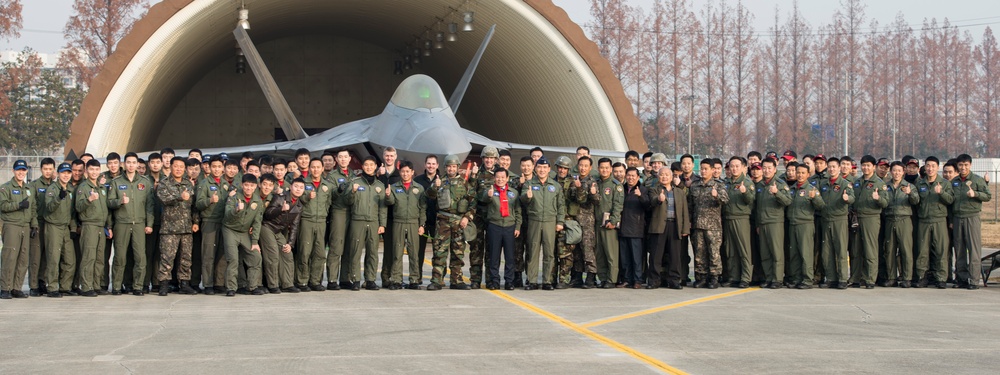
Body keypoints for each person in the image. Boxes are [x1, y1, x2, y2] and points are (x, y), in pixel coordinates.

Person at [107, 152, 155, 295]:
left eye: (134, 163)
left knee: (140, 256)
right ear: (124, 164)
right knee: (120, 256)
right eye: (128, 162)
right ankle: (116, 286)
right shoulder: (116, 182)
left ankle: (138, 286)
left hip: (139, 223)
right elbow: (109, 202)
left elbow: (149, 205)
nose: (131, 165)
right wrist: (119, 202)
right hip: (122, 223)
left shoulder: (145, 182)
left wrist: (149, 224)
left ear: (137, 164)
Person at [426, 154, 476, 290]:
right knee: (439, 251)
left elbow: (473, 204)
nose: (451, 169)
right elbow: (429, 196)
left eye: (453, 166)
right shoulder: (439, 181)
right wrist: (434, 187)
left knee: (458, 252)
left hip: (459, 222)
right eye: (448, 166)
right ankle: (437, 280)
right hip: (443, 221)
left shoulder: (465, 184)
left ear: (458, 167)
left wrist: (467, 217)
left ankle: (457, 280)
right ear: (445, 167)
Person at [520, 157, 565, 290]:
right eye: (539, 167)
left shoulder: (555, 186)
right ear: (535, 168)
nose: (542, 170)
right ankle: (532, 280)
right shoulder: (528, 184)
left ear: (549, 169)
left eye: (545, 168)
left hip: (550, 222)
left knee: (549, 252)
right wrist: (526, 197)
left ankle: (547, 280)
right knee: (533, 251)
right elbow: (522, 200)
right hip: (534, 220)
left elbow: (561, 205)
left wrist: (560, 222)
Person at [156, 157, 199, 296]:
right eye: (176, 166)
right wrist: (180, 196)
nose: (179, 169)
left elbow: (194, 205)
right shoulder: (164, 183)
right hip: (170, 228)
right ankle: (164, 284)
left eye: (181, 166)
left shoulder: (188, 184)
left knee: (186, 258)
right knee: (167, 257)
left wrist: (195, 221)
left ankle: (184, 283)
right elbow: (165, 199)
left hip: (186, 227)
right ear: (171, 167)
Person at [950, 154, 991, 289]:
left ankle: (974, 280)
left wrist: (976, 194)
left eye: (966, 165)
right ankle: (961, 278)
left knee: (973, 249)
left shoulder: (977, 180)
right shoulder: (954, 181)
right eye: (960, 165)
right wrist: (951, 220)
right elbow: (950, 202)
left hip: (972, 216)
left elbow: (988, 196)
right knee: (959, 248)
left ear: (970, 165)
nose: (963, 168)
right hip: (957, 217)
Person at [384, 160, 427, 290]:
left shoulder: (419, 188)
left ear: (412, 172)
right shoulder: (395, 187)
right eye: (402, 171)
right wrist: (387, 195)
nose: (405, 174)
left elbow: (422, 208)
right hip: (399, 222)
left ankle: (414, 279)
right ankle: (396, 279)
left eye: (408, 171)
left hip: (414, 222)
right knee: (397, 252)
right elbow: (390, 203)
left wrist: (422, 225)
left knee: (414, 252)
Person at [347, 156, 387, 290]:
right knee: (355, 251)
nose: (369, 167)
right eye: (366, 165)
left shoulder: (380, 186)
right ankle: (355, 279)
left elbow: (383, 208)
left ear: (375, 166)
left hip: (374, 222)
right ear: (362, 167)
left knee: (373, 252)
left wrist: (382, 224)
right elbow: (347, 201)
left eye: (371, 165)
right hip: (358, 221)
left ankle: (370, 280)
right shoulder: (355, 182)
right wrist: (352, 192)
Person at [848, 155, 888, 289]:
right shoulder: (858, 182)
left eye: (868, 165)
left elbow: (885, 202)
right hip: (857, 217)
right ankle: (855, 278)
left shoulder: (879, 183)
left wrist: (878, 199)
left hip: (871, 217)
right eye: (863, 165)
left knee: (870, 249)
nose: (865, 168)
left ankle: (870, 279)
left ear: (874, 167)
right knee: (856, 249)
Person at [0, 160, 38, 299]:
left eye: (23, 170)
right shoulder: (6, 188)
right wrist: (18, 205)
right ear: (13, 171)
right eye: (18, 170)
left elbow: (33, 208)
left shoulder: (29, 189)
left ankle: (17, 287)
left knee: (23, 258)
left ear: (26, 171)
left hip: (25, 226)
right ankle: (5, 288)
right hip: (12, 225)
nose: (21, 172)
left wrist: (34, 225)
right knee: (9, 257)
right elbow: (3, 205)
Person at [222, 174, 265, 296]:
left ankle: (252, 286)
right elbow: (227, 215)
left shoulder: (257, 200)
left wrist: (255, 242)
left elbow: (257, 223)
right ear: (242, 185)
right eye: (246, 185)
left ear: (256, 187)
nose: (248, 188)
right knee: (233, 259)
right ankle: (231, 288)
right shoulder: (234, 197)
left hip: (244, 232)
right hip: (230, 230)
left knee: (255, 256)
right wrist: (236, 210)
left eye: (252, 186)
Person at [689, 159, 729, 288]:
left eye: (706, 169)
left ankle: (714, 277)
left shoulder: (718, 185)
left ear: (712, 170)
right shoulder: (695, 185)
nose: (703, 171)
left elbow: (725, 200)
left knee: (714, 252)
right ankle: (701, 277)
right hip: (698, 224)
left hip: (713, 226)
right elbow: (690, 205)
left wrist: (716, 195)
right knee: (699, 253)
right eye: (702, 169)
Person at [647, 167, 689, 289]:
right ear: (658, 177)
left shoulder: (680, 192)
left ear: (671, 177)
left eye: (667, 175)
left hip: (674, 225)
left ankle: (674, 280)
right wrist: (659, 199)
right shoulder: (654, 190)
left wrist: (685, 229)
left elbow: (684, 211)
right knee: (656, 255)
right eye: (661, 175)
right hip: (659, 226)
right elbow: (653, 201)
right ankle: (654, 280)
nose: (664, 177)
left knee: (675, 255)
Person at [914, 157, 953, 288]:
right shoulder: (919, 184)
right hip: (924, 220)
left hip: (939, 220)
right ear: (924, 167)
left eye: (933, 166)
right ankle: (922, 277)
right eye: (928, 166)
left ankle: (941, 278)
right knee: (922, 250)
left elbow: (950, 200)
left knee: (941, 250)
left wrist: (941, 192)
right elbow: (916, 202)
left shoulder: (945, 183)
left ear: (938, 167)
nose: (930, 169)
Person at [479, 168, 521, 290]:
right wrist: (489, 196)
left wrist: (517, 226)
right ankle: (494, 280)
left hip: (509, 226)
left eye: (503, 177)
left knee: (510, 256)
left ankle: (509, 281)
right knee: (494, 256)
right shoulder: (490, 190)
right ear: (494, 178)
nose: (500, 179)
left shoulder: (513, 193)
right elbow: (483, 199)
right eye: (498, 177)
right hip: (495, 226)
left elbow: (518, 211)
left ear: (507, 178)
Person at [194, 155, 231, 295]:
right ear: (209, 168)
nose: (216, 169)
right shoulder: (204, 183)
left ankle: (219, 283)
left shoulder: (226, 184)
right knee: (208, 253)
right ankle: (208, 283)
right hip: (209, 221)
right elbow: (198, 204)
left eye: (219, 167)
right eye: (214, 167)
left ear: (223, 168)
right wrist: (210, 200)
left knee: (222, 253)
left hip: (224, 222)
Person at [261, 177, 304, 293]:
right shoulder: (280, 197)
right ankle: (273, 285)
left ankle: (287, 284)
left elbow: (295, 227)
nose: (298, 190)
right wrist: (281, 209)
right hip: (267, 227)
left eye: (301, 188)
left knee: (287, 253)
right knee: (273, 255)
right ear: (290, 187)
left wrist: (290, 244)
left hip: (278, 231)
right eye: (296, 186)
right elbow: (268, 214)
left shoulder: (299, 205)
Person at [297, 158, 334, 291]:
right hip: (307, 220)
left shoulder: (327, 185)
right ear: (309, 168)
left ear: (323, 169)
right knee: (304, 251)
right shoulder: (303, 183)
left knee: (319, 253)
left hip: (321, 221)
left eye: (318, 167)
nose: (316, 170)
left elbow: (328, 202)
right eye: (313, 167)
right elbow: (298, 199)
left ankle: (315, 281)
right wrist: (307, 197)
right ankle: (302, 281)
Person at [817, 158, 854, 289]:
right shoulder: (823, 184)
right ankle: (831, 278)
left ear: (839, 168)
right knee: (827, 251)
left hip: (839, 219)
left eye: (834, 167)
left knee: (841, 250)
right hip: (826, 219)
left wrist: (847, 198)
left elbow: (852, 197)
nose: (831, 169)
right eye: (830, 167)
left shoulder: (845, 184)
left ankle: (843, 278)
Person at [786, 163, 825, 289]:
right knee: (794, 253)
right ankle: (796, 278)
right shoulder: (792, 189)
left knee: (805, 253)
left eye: (803, 173)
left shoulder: (811, 189)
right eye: (798, 172)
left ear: (808, 174)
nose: (800, 175)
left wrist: (815, 199)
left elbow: (821, 206)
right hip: (793, 223)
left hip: (805, 224)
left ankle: (808, 279)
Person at [754, 158, 791, 289]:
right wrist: (758, 224)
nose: (766, 170)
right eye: (764, 168)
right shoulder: (760, 185)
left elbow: (787, 201)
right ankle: (768, 277)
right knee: (765, 253)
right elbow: (758, 207)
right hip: (763, 222)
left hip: (775, 222)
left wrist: (777, 193)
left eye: (769, 168)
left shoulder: (780, 184)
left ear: (775, 169)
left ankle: (777, 279)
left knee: (776, 252)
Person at [882, 162, 919, 287]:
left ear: (903, 172)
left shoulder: (909, 186)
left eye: (899, 170)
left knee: (906, 250)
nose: (896, 173)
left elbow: (916, 201)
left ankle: (907, 277)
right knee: (889, 250)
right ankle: (891, 277)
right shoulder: (885, 186)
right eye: (894, 170)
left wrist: (910, 193)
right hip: (890, 219)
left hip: (904, 220)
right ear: (890, 172)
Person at [467, 147, 499, 289]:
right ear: (482, 158)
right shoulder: (477, 174)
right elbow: (470, 193)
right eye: (486, 157)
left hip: (493, 216)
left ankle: (491, 279)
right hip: (479, 215)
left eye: (491, 158)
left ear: (495, 159)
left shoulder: (500, 174)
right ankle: (475, 279)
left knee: (492, 249)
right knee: (476, 248)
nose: (489, 160)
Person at [44, 163, 77, 297]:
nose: (66, 175)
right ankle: (52, 287)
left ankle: (65, 286)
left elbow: (72, 212)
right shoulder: (52, 189)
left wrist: (73, 228)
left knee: (70, 259)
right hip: (53, 226)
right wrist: (59, 197)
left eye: (68, 173)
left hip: (65, 227)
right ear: (58, 174)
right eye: (63, 173)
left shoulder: (70, 189)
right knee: (53, 257)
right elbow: (49, 207)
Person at [723, 157, 755, 288]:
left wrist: (745, 192)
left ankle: (745, 277)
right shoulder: (727, 182)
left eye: (737, 166)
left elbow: (751, 200)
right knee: (730, 250)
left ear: (743, 167)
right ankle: (733, 276)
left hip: (741, 218)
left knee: (744, 249)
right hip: (728, 218)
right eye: (732, 166)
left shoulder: (747, 182)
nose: (734, 169)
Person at [570, 156, 600, 288]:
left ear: (590, 168)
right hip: (575, 219)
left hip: (587, 220)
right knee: (576, 249)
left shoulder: (592, 182)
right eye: (581, 165)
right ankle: (577, 275)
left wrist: (588, 192)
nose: (583, 168)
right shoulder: (574, 180)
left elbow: (595, 200)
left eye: (586, 166)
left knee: (588, 248)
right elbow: (571, 198)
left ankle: (591, 276)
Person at [594, 158, 623, 288]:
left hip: (609, 225)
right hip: (597, 223)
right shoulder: (596, 183)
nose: (604, 170)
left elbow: (618, 205)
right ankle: (603, 277)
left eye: (606, 168)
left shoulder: (615, 185)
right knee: (599, 253)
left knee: (611, 253)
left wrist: (613, 221)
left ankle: (612, 279)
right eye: (601, 168)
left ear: (611, 169)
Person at [27, 158, 55, 296]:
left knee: (46, 255)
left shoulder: (55, 186)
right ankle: (33, 285)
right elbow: (32, 206)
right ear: (41, 169)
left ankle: (42, 281)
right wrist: (33, 224)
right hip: (38, 223)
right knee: (35, 255)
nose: (48, 172)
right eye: (45, 169)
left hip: (51, 224)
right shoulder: (34, 185)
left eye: (50, 169)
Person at [412, 154, 440, 288]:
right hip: (421, 221)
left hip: (438, 222)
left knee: (439, 252)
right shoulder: (417, 180)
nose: (431, 166)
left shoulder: (442, 181)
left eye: (433, 164)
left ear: (437, 166)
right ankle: (417, 277)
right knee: (419, 251)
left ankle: (438, 278)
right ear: (425, 165)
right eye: (429, 163)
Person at [618, 167, 649, 289]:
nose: (630, 178)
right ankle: (627, 279)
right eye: (628, 175)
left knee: (637, 258)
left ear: (638, 177)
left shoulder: (643, 190)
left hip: (636, 228)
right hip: (623, 228)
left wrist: (641, 196)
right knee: (624, 257)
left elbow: (648, 206)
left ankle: (637, 280)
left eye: (633, 176)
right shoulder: (621, 189)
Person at [376, 147, 401, 287]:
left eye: (391, 156)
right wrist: (379, 175)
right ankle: (382, 277)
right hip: (378, 216)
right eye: (387, 156)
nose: (389, 158)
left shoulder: (399, 175)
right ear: (383, 156)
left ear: (395, 156)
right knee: (378, 249)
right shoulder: (378, 174)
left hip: (394, 217)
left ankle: (390, 276)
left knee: (393, 248)